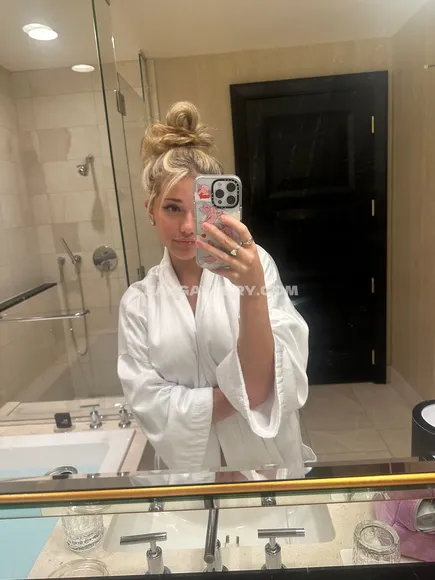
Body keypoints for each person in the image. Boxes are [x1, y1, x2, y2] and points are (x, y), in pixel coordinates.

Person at [117, 101, 315, 474]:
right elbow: (148, 403)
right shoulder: (138, 303)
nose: (188, 227)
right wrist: (239, 396)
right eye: (172, 208)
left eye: (198, 209)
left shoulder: (256, 267)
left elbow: (275, 381)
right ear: (150, 210)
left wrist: (252, 288)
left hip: (266, 467)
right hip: (191, 476)